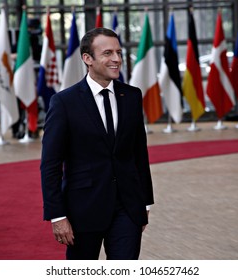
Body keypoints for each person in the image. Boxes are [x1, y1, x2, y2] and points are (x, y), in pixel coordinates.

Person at [40, 27, 154, 260]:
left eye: (119, 53)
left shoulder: (132, 96)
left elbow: (139, 153)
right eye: (108, 53)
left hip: (128, 209)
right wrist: (57, 215)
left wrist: (145, 204)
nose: (116, 59)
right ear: (87, 59)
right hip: (83, 210)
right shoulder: (64, 102)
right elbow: (51, 164)